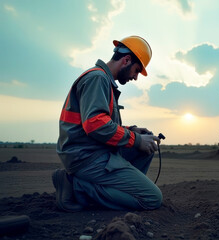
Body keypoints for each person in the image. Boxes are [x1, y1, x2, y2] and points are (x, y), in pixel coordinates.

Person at [53, 36, 162, 212]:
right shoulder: (98, 78)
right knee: (152, 198)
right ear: (126, 60)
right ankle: (75, 186)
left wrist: (133, 131)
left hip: (94, 150)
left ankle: (118, 190)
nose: (135, 77)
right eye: (136, 70)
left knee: (145, 149)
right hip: (86, 157)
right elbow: (95, 124)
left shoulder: (103, 80)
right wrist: (136, 139)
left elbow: (99, 122)